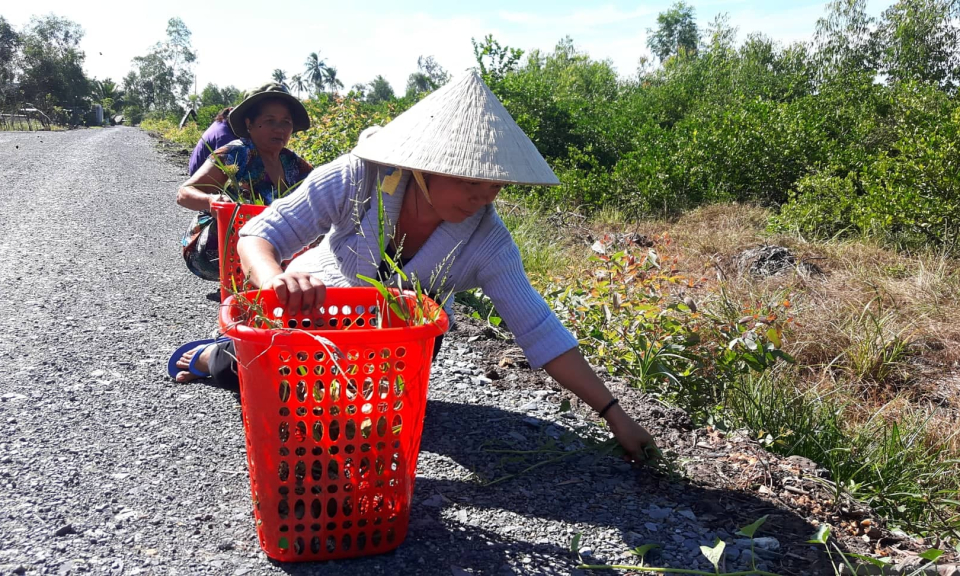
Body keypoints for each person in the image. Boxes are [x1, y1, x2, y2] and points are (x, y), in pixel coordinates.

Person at [169, 71, 658, 463]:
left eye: (495, 187)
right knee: (288, 402)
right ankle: (222, 359)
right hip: (314, 313)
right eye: (471, 182)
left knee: (353, 428)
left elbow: (538, 329)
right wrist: (278, 280)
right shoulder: (360, 176)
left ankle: (354, 400)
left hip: (392, 347)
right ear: (424, 167)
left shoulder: (487, 239)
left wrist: (615, 414)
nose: (483, 198)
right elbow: (261, 233)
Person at [177, 82, 314, 281]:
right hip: (216, 251)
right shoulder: (235, 153)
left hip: (274, 249)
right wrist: (212, 202)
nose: (279, 129)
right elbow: (184, 193)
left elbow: (324, 193)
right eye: (269, 121)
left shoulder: (293, 163)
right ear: (249, 124)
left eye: (286, 122)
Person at [187, 106, 237, 176]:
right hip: (200, 178)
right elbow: (226, 169)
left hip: (195, 170)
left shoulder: (220, 123)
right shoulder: (224, 136)